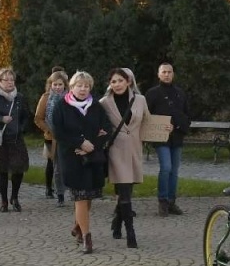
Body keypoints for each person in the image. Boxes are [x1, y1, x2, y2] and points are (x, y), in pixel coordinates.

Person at [51, 71, 113, 254]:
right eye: (80, 85)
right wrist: (79, 142)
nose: (83, 89)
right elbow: (58, 132)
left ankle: (78, 226)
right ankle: (86, 237)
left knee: (89, 195)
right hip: (71, 158)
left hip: (92, 157)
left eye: (86, 86)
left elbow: (106, 130)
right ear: (72, 87)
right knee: (81, 196)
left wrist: (92, 145)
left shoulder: (96, 106)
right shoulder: (61, 106)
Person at [99, 68, 149, 248]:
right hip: (116, 151)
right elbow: (98, 124)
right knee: (125, 191)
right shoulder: (104, 102)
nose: (117, 84)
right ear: (109, 84)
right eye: (113, 82)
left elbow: (148, 122)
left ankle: (117, 222)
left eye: (120, 81)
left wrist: (165, 130)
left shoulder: (140, 100)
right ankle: (131, 233)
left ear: (128, 81)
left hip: (134, 149)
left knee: (127, 189)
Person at [0, 66, 32, 213]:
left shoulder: (20, 98)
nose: (10, 82)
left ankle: (14, 197)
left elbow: (26, 116)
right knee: (2, 170)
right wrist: (0, 119)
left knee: (18, 169)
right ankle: (4, 200)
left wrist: (21, 128)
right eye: (7, 80)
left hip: (16, 139)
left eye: (12, 80)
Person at [146, 62, 191, 216]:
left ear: (173, 74)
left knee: (174, 171)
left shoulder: (180, 93)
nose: (166, 74)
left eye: (169, 72)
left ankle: (172, 201)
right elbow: (147, 117)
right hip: (160, 138)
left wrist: (176, 127)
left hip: (177, 137)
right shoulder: (152, 93)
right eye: (164, 72)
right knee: (166, 167)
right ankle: (163, 200)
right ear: (159, 74)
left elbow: (186, 115)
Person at [34, 68, 69, 205]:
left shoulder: (70, 97)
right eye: (55, 84)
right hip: (52, 138)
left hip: (68, 137)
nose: (57, 87)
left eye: (60, 84)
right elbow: (38, 118)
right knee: (56, 166)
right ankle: (59, 193)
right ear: (50, 85)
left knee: (69, 166)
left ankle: (71, 190)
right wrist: (49, 130)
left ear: (65, 85)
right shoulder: (46, 98)